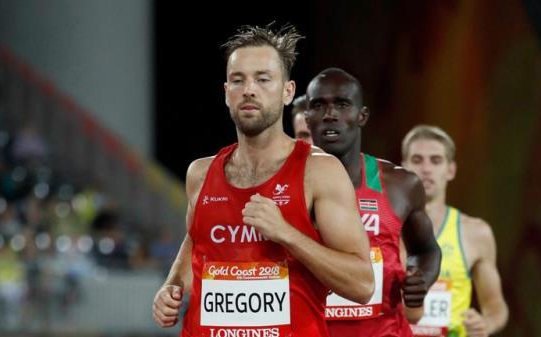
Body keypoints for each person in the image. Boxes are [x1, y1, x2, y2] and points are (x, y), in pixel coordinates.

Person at [152, 25, 375, 337]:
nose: (249, 89)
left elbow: (362, 284)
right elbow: (196, 240)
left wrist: (286, 234)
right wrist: (172, 286)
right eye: (238, 80)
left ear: (287, 91)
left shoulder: (319, 172)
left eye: (263, 79)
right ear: (226, 92)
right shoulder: (200, 174)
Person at [305, 68, 441, 337]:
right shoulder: (282, 186)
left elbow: (426, 250)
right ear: (307, 117)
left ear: (362, 116)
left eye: (342, 104)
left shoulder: (400, 185)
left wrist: (420, 279)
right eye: (318, 105)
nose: (330, 114)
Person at [401, 125, 508, 337]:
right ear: (403, 167)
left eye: (436, 160)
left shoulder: (475, 233)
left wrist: (485, 324)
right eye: (417, 160)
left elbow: (496, 306)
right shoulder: (382, 227)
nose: (426, 169)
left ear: (451, 170)